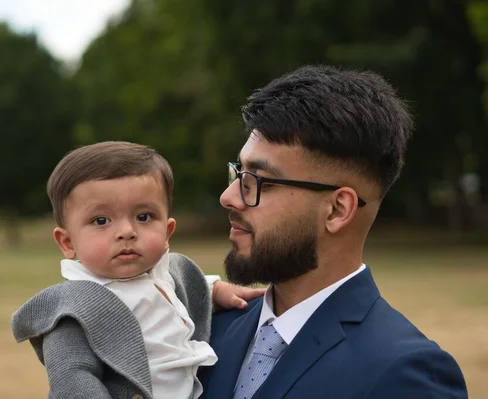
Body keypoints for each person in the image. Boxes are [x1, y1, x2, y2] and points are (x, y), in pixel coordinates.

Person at [198, 65, 468, 399]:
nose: (229, 197)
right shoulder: (210, 329)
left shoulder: (404, 374)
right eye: (238, 173)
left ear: (338, 209)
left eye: (259, 181)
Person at [11, 141, 264, 399]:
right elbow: (71, 381)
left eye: (143, 217)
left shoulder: (168, 274)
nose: (127, 232)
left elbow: (187, 282)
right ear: (67, 242)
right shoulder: (73, 311)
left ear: (167, 232)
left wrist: (215, 291)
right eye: (101, 221)